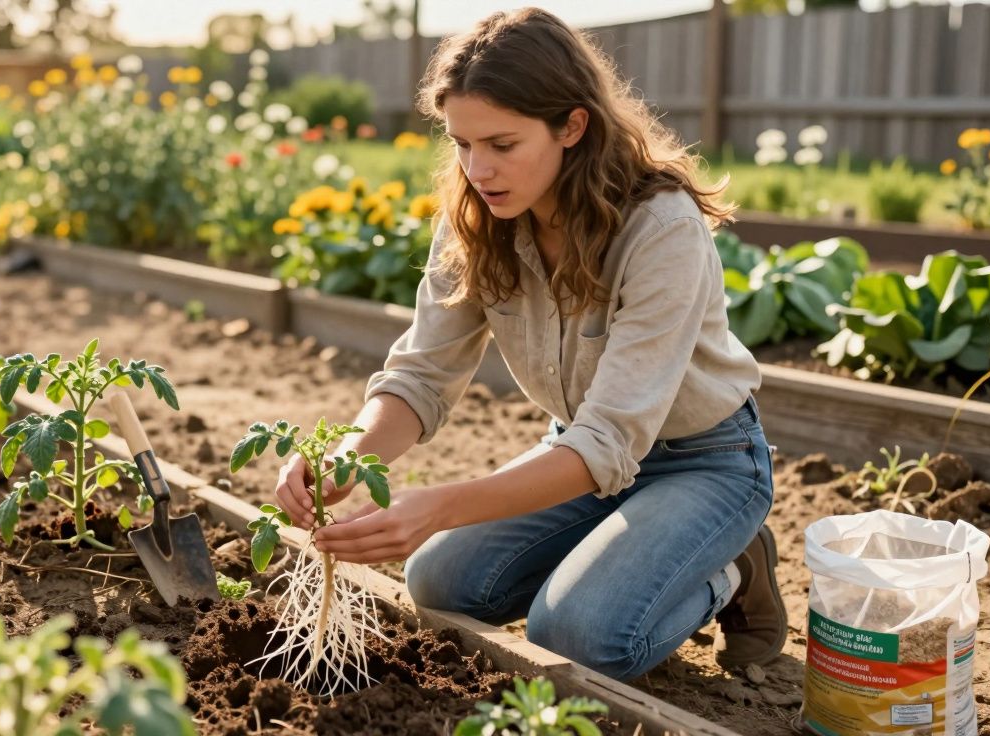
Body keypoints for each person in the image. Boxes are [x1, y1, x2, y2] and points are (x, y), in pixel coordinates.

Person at [272, 7, 787, 681]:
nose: (478, 169)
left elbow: (610, 438)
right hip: (578, 450)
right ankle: (640, 546)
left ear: (572, 126)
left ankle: (729, 566)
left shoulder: (659, 229)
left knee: (573, 634)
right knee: (439, 582)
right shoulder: (477, 218)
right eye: (461, 143)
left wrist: (443, 503)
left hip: (703, 462)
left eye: (502, 145)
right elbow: (422, 375)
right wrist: (348, 455)